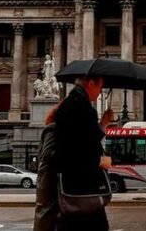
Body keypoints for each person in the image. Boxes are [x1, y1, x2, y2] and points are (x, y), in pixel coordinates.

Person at [34, 76, 115, 231]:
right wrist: (100, 161)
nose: (100, 92)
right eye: (100, 87)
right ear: (91, 83)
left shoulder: (70, 105)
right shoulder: (82, 109)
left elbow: (82, 141)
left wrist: (103, 124)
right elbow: (72, 153)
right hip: (81, 192)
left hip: (72, 192)